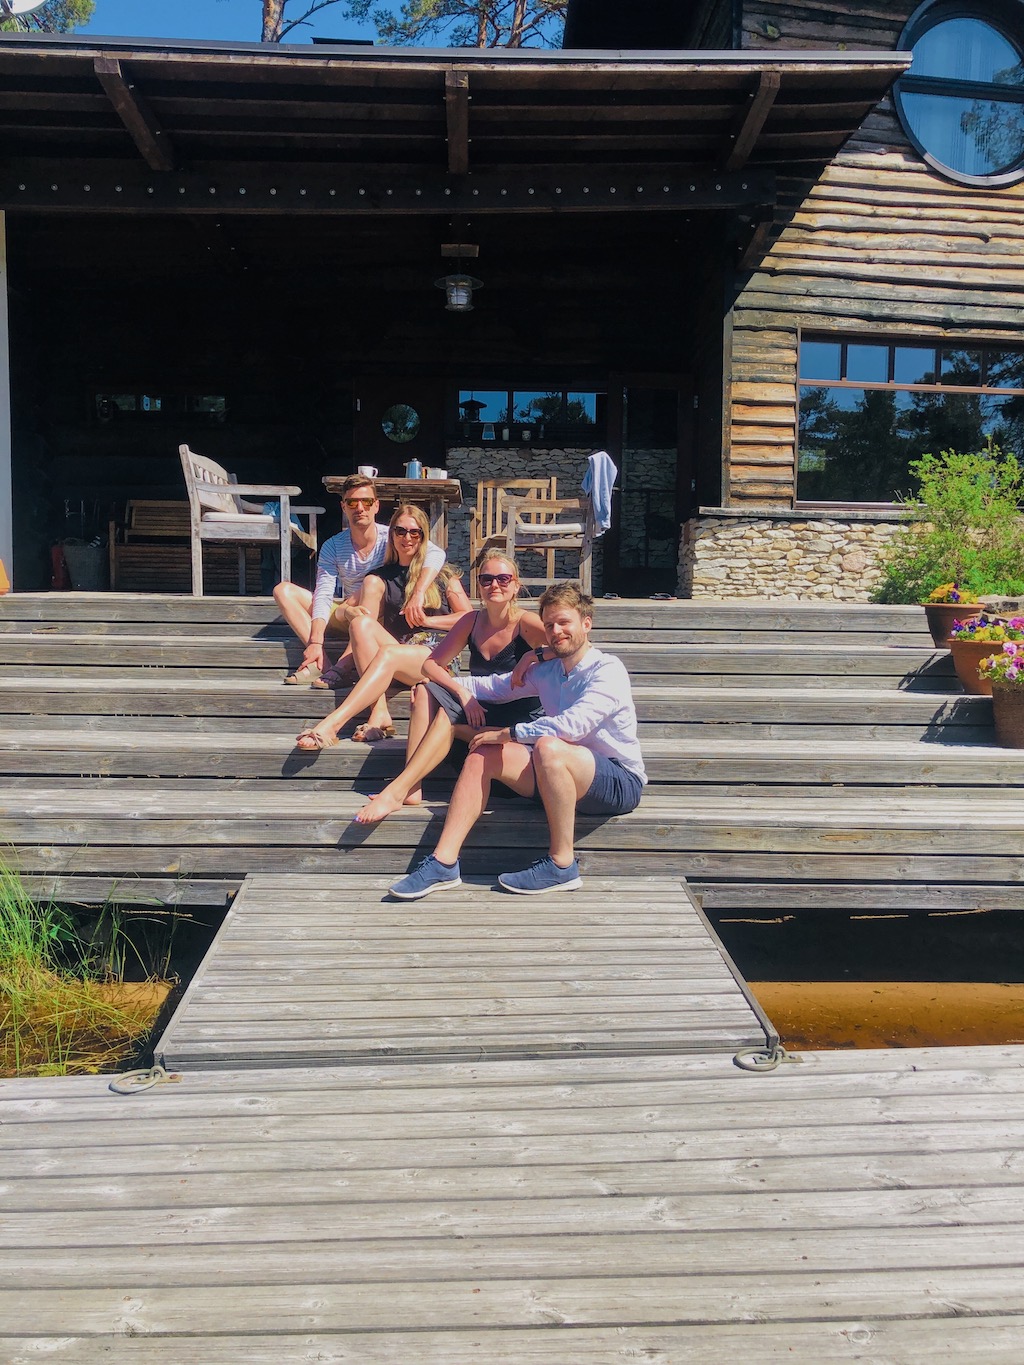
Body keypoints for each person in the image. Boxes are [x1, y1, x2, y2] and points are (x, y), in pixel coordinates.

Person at [388, 581, 647, 898]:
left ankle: (562, 865)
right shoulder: (548, 672)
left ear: (586, 623)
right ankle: (443, 863)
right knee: (484, 753)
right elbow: (494, 686)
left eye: (564, 622)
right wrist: (448, 685)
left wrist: (508, 732)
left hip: (617, 780)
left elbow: (573, 727)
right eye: (549, 625)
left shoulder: (607, 669)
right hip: (560, 774)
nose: (556, 631)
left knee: (548, 744)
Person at [353, 553, 547, 824]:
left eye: (503, 579)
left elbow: (571, 647)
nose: (495, 585)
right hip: (481, 714)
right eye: (487, 579)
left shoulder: (525, 624)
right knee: (425, 689)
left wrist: (531, 656)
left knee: (443, 711)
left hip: (514, 728)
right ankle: (411, 786)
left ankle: (397, 790)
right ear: (479, 585)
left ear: (515, 585)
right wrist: (462, 693)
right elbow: (432, 664)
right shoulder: (472, 621)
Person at [295, 504, 471, 749]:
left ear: (423, 537)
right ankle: (379, 710)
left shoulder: (442, 575)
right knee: (361, 624)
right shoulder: (379, 577)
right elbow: (347, 606)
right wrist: (346, 612)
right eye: (400, 531)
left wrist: (429, 621)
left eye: (414, 532)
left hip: (437, 656)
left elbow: (469, 617)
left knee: (388, 652)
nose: (407, 538)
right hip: (399, 654)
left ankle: (331, 725)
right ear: (391, 535)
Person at [274, 473, 446, 687]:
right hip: (347, 611)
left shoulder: (394, 536)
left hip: (378, 617)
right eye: (352, 502)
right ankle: (323, 663)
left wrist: (419, 592)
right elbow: (324, 593)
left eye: (366, 502)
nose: (360, 508)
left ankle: (344, 666)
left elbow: (436, 553)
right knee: (284, 590)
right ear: (343, 507)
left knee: (372, 586)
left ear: (376, 506)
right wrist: (316, 640)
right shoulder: (333, 546)